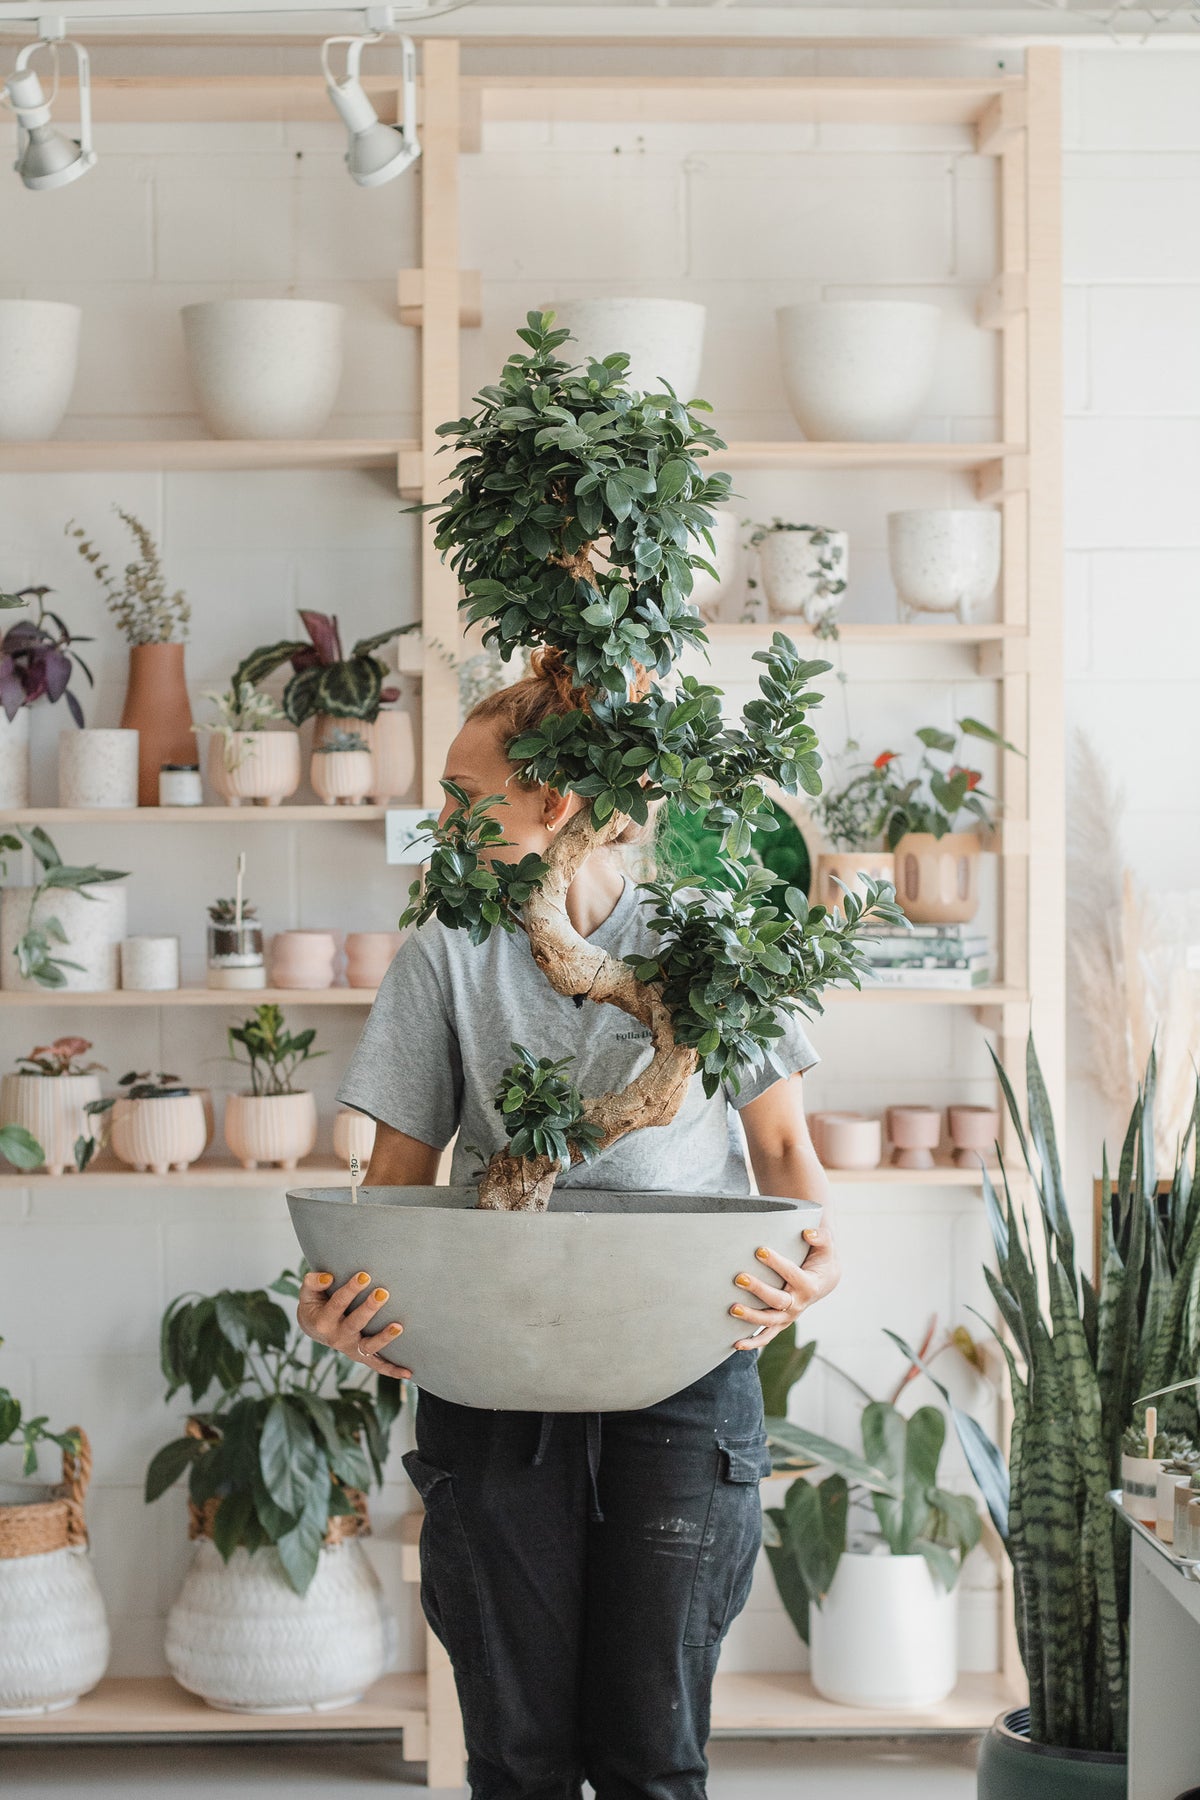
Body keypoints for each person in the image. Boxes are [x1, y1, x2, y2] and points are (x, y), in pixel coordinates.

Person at [297, 649, 840, 1800]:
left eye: (460, 793)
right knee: (518, 1753)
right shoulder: (447, 943)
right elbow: (398, 1176)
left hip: (688, 1364)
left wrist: (817, 1258)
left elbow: (786, 1151)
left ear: (553, 803)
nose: (439, 817)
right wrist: (351, 1295)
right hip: (498, 1373)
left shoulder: (703, 928)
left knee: (653, 1756)